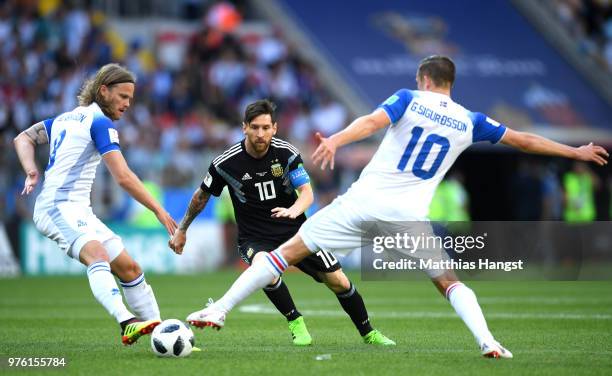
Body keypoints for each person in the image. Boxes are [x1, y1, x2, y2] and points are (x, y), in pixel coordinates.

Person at [184, 56, 609, 358]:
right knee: (449, 282)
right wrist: (575, 152)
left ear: (424, 79)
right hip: (407, 216)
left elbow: (371, 123)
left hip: (362, 202)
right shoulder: (471, 120)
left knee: (281, 257)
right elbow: (525, 140)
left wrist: (336, 140)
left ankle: (219, 309)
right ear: (449, 83)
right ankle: (488, 341)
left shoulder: (408, 98)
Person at [169, 99, 394, 346]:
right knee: (264, 267)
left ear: (274, 128)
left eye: (266, 127)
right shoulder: (225, 163)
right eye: (254, 127)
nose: (260, 133)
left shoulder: (287, 153)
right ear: (244, 127)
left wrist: (293, 210)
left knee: (338, 281)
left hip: (296, 230)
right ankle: (295, 321)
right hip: (254, 237)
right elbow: (200, 197)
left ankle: (368, 332)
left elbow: (307, 193)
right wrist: (182, 229)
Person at [13, 63, 178, 345]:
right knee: (98, 255)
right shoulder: (100, 123)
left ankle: (162, 334)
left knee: (130, 269)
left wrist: (31, 169)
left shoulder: (65, 119)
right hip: (57, 207)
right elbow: (123, 177)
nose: (127, 104)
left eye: (131, 98)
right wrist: (160, 211)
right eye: (123, 96)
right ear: (103, 91)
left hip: (79, 210)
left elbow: (23, 137)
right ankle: (126, 321)